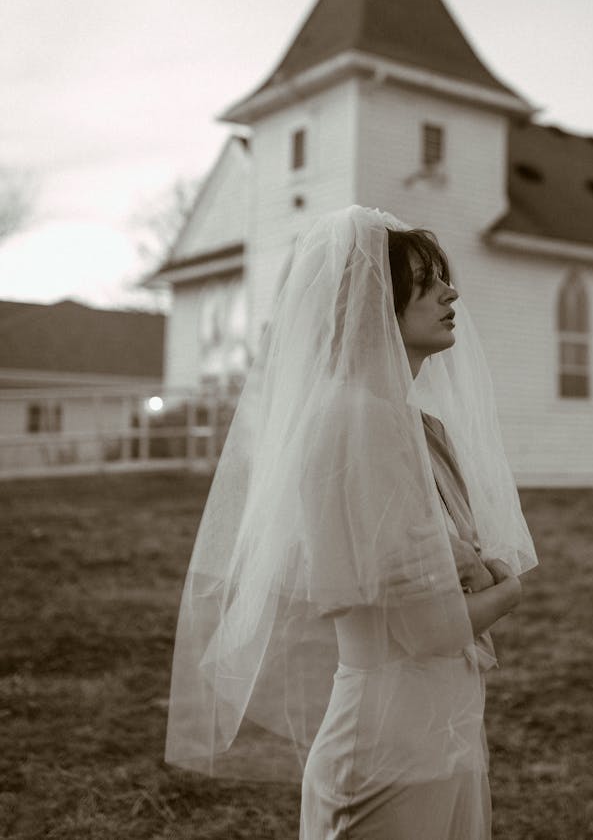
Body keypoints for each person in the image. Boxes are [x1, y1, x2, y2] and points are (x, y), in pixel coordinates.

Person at [165, 206, 537, 839]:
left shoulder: (414, 425)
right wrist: (510, 591)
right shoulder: (358, 420)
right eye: (425, 279)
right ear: (374, 302)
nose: (451, 293)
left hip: (442, 735)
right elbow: (424, 628)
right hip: (387, 751)